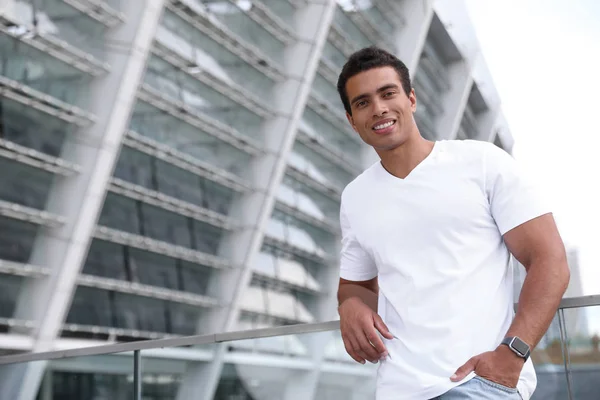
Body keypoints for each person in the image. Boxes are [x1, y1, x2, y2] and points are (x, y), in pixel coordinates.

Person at [335, 46, 570, 400]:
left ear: (411, 99)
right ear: (352, 121)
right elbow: (355, 285)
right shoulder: (355, 197)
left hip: (478, 383)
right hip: (397, 389)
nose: (379, 108)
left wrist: (511, 356)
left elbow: (550, 260)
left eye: (388, 93)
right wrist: (350, 305)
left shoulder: (481, 162)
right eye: (363, 102)